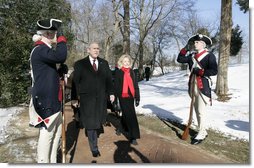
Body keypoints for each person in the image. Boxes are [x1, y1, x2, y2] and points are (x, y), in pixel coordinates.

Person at [29, 18, 68, 163]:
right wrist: (62, 40)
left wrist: (58, 71)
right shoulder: (40, 49)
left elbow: (48, 74)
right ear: (47, 34)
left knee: (56, 136)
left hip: (53, 100)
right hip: (46, 100)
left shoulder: (44, 50)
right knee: (47, 136)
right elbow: (61, 56)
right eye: (53, 33)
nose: (55, 36)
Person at [72, 42, 115, 157]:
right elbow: (75, 82)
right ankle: (94, 148)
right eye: (94, 48)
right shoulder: (80, 64)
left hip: (101, 97)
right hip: (87, 99)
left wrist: (111, 93)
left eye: (98, 49)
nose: (96, 50)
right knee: (91, 124)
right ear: (88, 50)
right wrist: (74, 98)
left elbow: (109, 80)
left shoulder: (104, 63)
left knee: (99, 120)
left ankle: (95, 133)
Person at [177, 34, 218, 145]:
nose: (195, 44)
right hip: (192, 85)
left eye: (197, 42)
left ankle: (201, 133)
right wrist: (185, 48)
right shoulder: (192, 56)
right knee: (196, 110)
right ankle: (203, 131)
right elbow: (179, 59)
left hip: (202, 86)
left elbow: (214, 71)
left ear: (203, 44)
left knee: (201, 111)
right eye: (194, 42)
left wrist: (201, 72)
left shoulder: (209, 56)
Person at [114, 54, 140, 145]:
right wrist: (116, 100)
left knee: (126, 114)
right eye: (124, 61)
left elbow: (136, 86)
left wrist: (137, 98)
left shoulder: (132, 72)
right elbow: (116, 87)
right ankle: (133, 136)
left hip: (131, 97)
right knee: (131, 115)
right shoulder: (118, 72)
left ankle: (120, 128)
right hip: (122, 97)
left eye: (128, 62)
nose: (126, 63)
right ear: (121, 62)